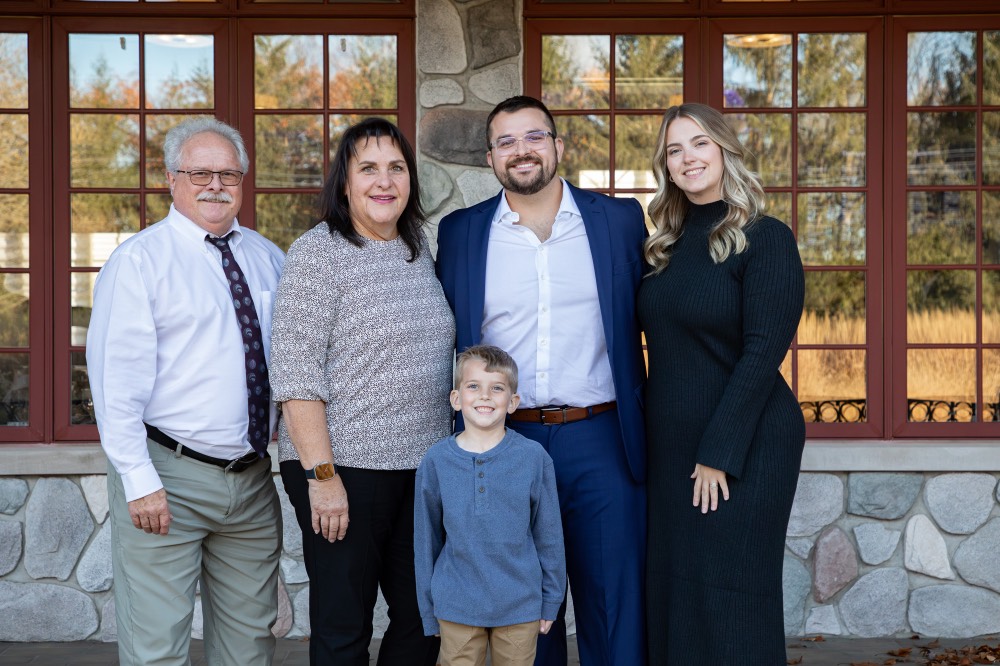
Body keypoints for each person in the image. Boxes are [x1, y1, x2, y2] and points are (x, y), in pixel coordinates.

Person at [436, 95, 648, 666]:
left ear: (558, 146)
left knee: (615, 602)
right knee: (524, 610)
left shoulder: (620, 221)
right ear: (490, 158)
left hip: (601, 435)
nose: (520, 150)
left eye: (533, 137)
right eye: (506, 141)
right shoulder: (461, 233)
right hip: (507, 441)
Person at [87, 117, 285, 665]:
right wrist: (137, 478)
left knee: (249, 647)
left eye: (228, 173)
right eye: (200, 172)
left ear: (243, 182)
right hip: (167, 474)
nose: (215, 185)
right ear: (172, 179)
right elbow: (114, 383)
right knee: (157, 647)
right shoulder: (140, 261)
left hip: (250, 481)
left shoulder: (268, 258)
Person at [269, 117, 454, 666]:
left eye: (396, 168)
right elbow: (296, 373)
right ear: (344, 182)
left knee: (423, 616)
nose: (384, 181)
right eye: (367, 168)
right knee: (343, 621)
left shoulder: (419, 250)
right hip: (343, 467)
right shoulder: (318, 252)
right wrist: (322, 479)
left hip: (421, 469)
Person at [639, 102, 805, 664]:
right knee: (677, 593)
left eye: (699, 143)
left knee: (732, 597)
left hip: (744, 445)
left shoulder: (766, 237)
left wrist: (719, 452)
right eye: (674, 150)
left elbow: (763, 352)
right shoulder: (664, 245)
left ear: (725, 149)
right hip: (673, 449)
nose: (688, 158)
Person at [414, 344, 566, 666]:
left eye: (496, 388)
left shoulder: (533, 458)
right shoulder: (437, 460)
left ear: (512, 402)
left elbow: (549, 534)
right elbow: (425, 539)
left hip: (519, 605)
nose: (485, 396)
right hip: (457, 604)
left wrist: (551, 600)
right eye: (474, 387)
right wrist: (429, 609)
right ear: (456, 399)